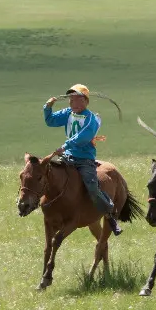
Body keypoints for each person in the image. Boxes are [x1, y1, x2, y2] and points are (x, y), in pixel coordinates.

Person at [44, 84, 122, 236]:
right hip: (67, 156)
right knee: (48, 174)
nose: (72, 102)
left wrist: (65, 145)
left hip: (84, 159)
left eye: (76, 99)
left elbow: (83, 137)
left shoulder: (90, 118)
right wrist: (47, 107)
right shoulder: (68, 113)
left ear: (85, 101)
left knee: (92, 186)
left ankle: (110, 213)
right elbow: (50, 121)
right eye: (70, 99)